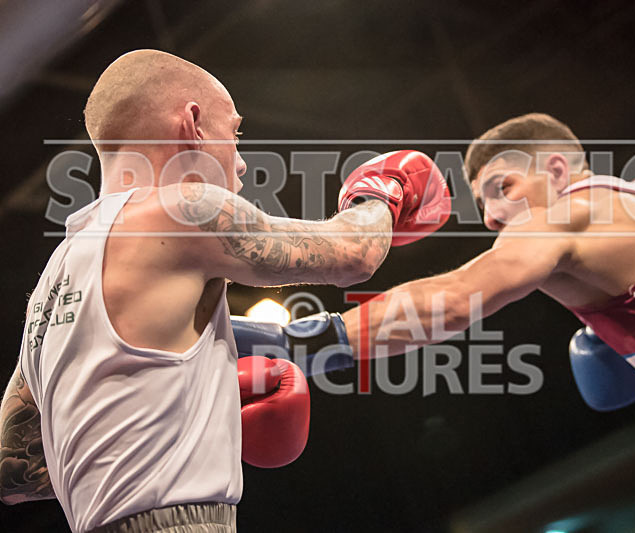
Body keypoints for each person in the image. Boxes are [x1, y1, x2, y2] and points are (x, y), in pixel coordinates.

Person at [245, 112, 635, 533]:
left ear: (556, 169)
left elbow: (454, 298)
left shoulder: (563, 218)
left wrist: (304, 342)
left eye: (502, 188)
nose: (492, 217)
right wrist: (612, 334)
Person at [0, 49, 450, 533]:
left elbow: (14, 473)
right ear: (192, 124)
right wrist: (383, 191)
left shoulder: (55, 280)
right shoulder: (183, 210)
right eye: (234, 134)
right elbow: (354, 254)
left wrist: (182, 416)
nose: (241, 162)